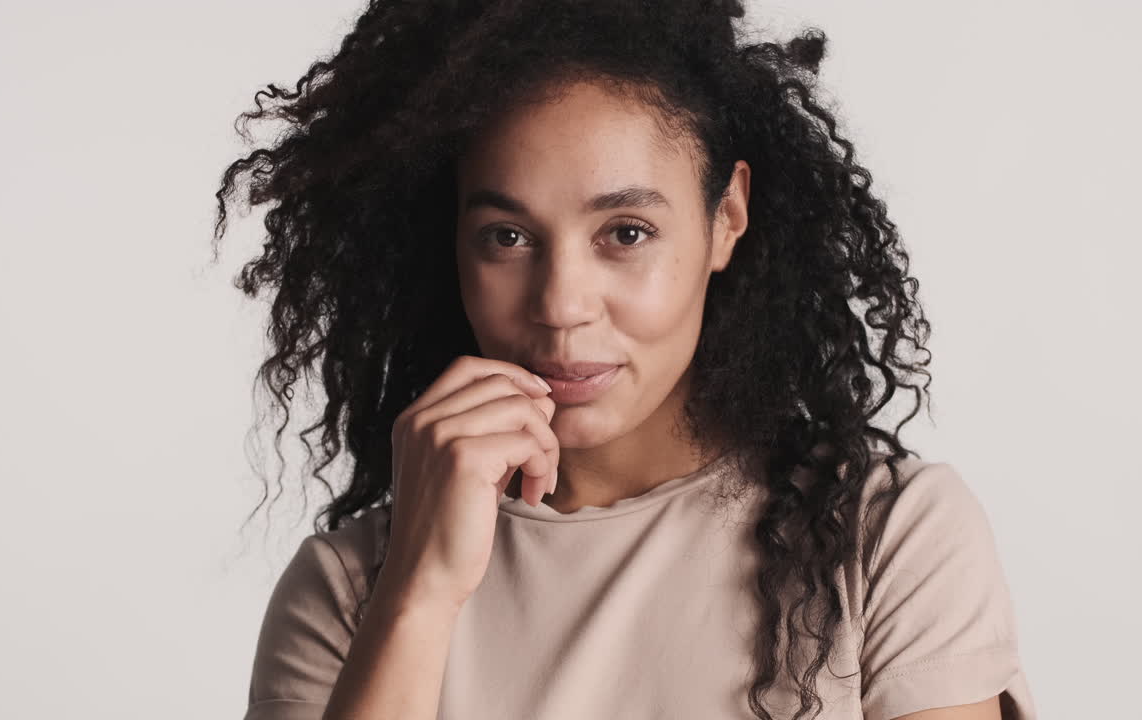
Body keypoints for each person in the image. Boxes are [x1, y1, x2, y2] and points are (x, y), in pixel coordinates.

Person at [211, 1, 1037, 718]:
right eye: (508, 237)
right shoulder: (354, 590)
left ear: (727, 218)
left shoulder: (883, 540)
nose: (562, 304)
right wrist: (419, 596)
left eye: (626, 234)